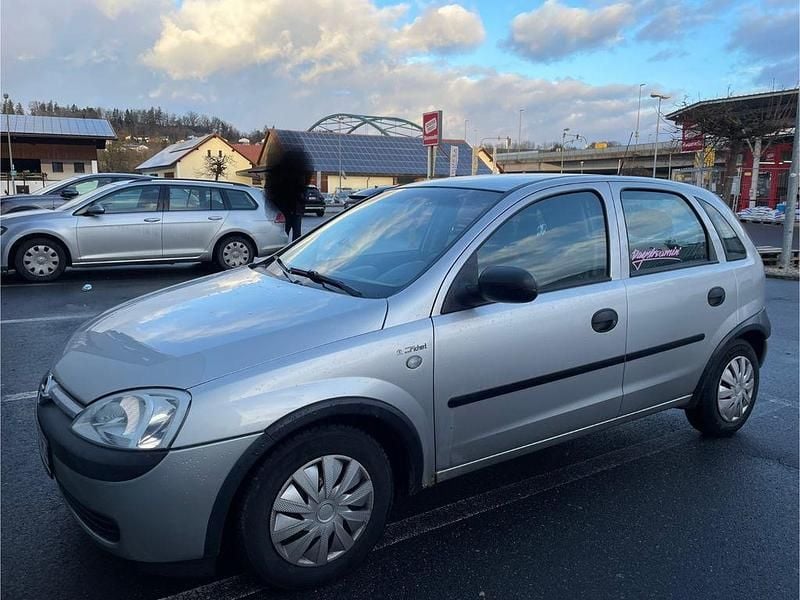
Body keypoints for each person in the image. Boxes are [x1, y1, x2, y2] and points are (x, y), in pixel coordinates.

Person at [265, 147, 311, 242]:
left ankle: (293, 248)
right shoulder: (284, 178)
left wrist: (301, 200)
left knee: (296, 234)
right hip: (288, 211)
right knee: (286, 232)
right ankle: (286, 248)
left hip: (295, 211)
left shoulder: (298, 178)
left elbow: (303, 194)